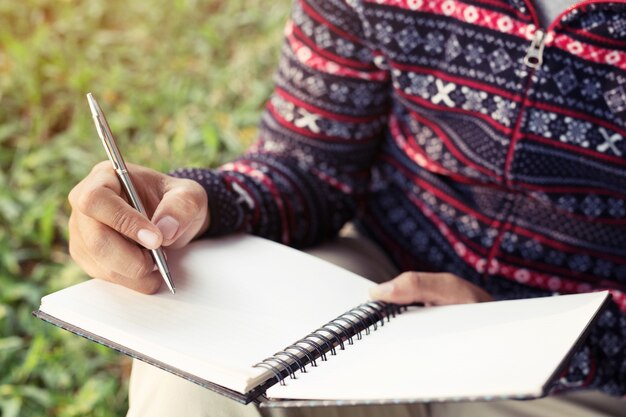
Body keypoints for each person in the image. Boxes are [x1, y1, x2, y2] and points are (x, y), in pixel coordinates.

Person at [68, 0, 626, 416]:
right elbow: (311, 164)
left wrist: (525, 331)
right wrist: (202, 203)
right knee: (198, 381)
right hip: (383, 287)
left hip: (585, 364)